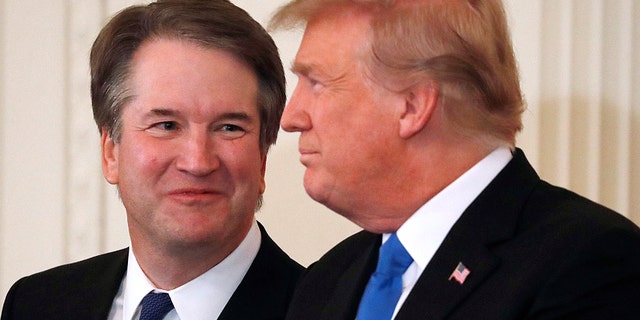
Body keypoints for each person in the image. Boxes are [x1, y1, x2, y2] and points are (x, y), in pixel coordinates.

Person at [269, 0, 640, 319]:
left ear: (411, 106)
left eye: (316, 83)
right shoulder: (327, 281)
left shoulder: (589, 265)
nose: (291, 117)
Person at [1, 1, 303, 319]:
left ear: (262, 156)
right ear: (110, 152)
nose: (198, 162)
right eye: (167, 126)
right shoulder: (36, 303)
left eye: (229, 128)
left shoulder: (323, 310)